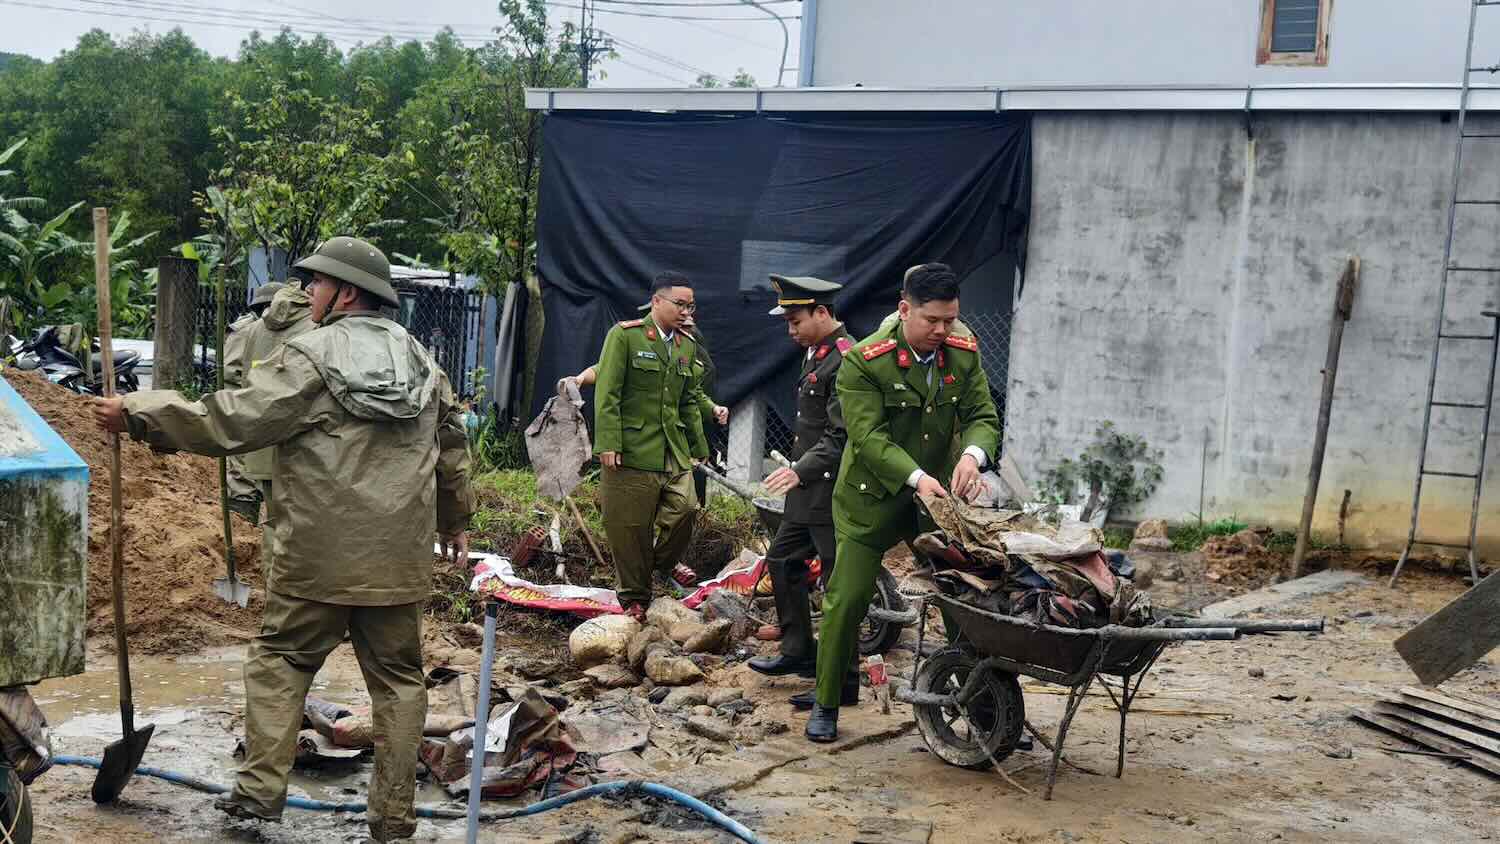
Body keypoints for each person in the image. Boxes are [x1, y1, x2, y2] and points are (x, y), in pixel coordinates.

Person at [92, 236, 472, 841]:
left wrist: (141, 412)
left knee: (281, 662)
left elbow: (232, 420)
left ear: (347, 292)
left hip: (315, 558)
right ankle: (393, 819)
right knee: (400, 685)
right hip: (398, 563)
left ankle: (257, 796)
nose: (309, 292)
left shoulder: (311, 356)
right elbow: (451, 448)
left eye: (318, 283)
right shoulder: (424, 362)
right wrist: (454, 518)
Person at [806, 262, 1001, 743]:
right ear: (904, 309)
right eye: (931, 320)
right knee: (848, 599)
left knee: (962, 597)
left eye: (950, 320)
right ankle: (828, 700)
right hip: (870, 498)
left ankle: (979, 703)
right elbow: (868, 438)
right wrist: (916, 477)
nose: (941, 330)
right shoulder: (866, 360)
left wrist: (973, 457)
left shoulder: (961, 349)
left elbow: (982, 413)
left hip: (933, 504)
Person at [747, 275, 860, 710]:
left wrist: (800, 471)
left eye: (796, 320)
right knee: (782, 559)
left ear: (823, 313)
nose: (790, 330)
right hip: (806, 493)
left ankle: (843, 681)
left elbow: (841, 434)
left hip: (831, 493)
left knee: (839, 587)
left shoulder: (846, 360)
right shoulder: (816, 354)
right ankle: (797, 650)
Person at [592, 271, 712, 621]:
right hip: (630, 448)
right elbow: (608, 392)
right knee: (629, 528)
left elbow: (688, 400)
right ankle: (635, 599)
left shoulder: (686, 345)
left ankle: (663, 565)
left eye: (691, 305)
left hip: (671, 449)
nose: (686, 311)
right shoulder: (625, 336)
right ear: (657, 301)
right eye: (680, 304)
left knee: (686, 508)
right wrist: (609, 442)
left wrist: (698, 443)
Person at [229, 281, 316, 577]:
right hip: (302, 447)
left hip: (263, 441)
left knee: (274, 523)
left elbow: (244, 385)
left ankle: (273, 588)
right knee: (303, 527)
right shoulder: (318, 326)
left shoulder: (254, 330)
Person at [222, 281, 283, 522]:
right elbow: (231, 373)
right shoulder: (249, 330)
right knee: (242, 467)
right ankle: (242, 520)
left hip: (260, 404)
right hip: (245, 403)